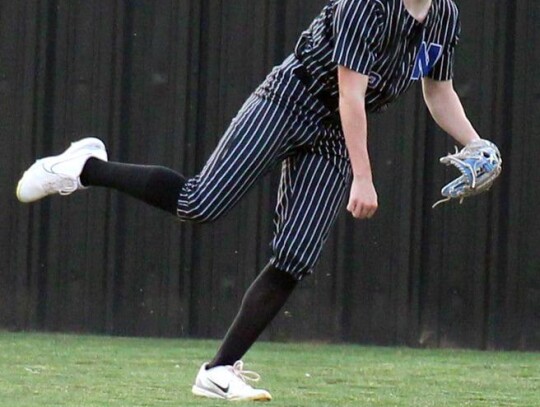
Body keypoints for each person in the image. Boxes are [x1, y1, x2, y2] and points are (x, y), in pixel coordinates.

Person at [16, 0, 486, 402]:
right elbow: (350, 93)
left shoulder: (443, 15)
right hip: (290, 99)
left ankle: (218, 370)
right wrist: (362, 177)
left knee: (296, 255)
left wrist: (475, 145)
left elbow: (438, 90)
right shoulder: (369, 5)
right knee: (200, 204)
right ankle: (84, 167)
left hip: (335, 136)